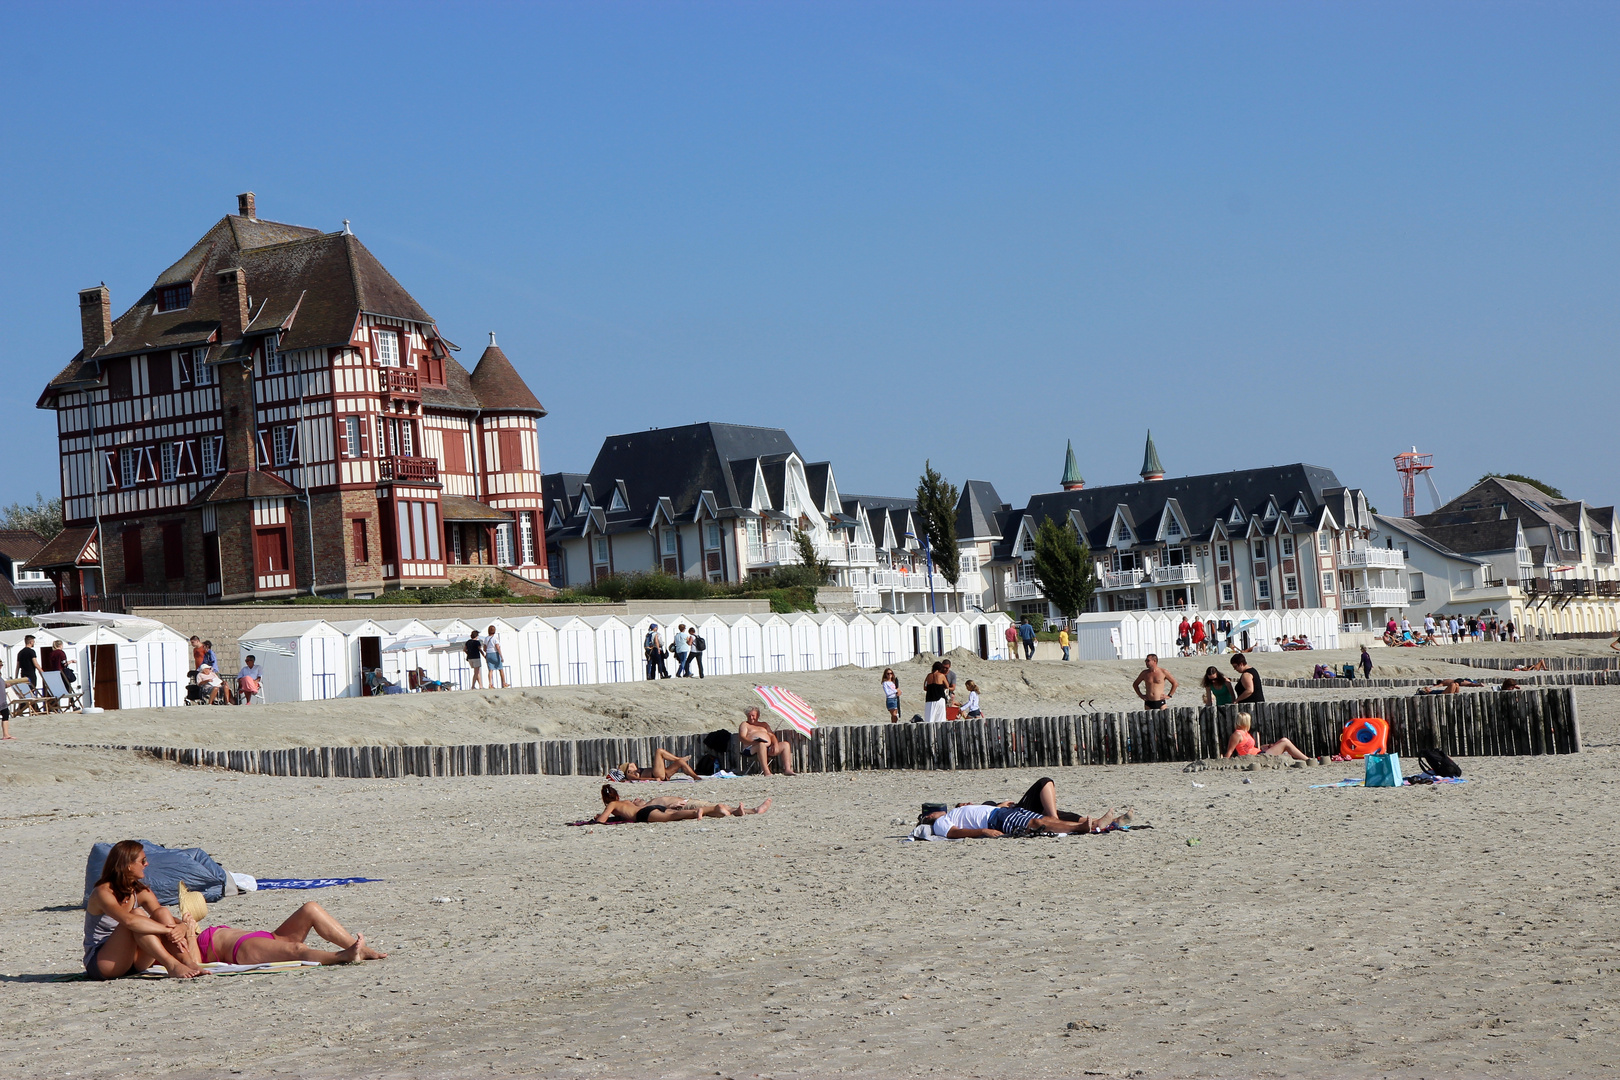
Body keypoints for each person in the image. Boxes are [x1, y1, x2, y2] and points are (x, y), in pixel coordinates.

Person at [83, 840, 203, 979]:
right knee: (137, 915)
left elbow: (163, 917)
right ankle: (171, 965)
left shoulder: (139, 891)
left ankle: (187, 962)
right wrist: (168, 930)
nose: (147, 864)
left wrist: (182, 926)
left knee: (162, 912)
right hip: (104, 962)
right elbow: (129, 921)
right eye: (143, 861)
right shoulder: (103, 892)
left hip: (135, 961)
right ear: (128, 865)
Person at [183, 884, 384, 967]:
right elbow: (192, 963)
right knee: (296, 950)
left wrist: (188, 928)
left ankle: (362, 950)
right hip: (241, 949)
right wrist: (190, 934)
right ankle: (343, 956)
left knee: (310, 909)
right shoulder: (172, 942)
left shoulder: (178, 927)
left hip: (266, 937)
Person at [917, 801, 1129, 839]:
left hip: (998, 813)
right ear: (929, 816)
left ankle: (1093, 825)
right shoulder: (939, 823)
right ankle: (1085, 827)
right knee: (1037, 825)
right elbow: (955, 833)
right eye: (935, 811)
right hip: (994, 823)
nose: (939, 811)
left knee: (1045, 819)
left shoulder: (951, 813)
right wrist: (982, 832)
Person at [596, 784, 768, 823]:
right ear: (618, 795)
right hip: (649, 809)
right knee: (670, 813)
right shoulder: (625, 802)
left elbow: (601, 821)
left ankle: (700, 811)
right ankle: (715, 809)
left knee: (674, 816)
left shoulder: (611, 806)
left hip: (644, 814)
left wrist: (598, 817)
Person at [1221, 711, 1307, 761]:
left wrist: (1267, 746)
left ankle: (1306, 759)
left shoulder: (1245, 733)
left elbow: (1250, 747)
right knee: (1285, 742)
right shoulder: (1237, 734)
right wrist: (1224, 762)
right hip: (1256, 757)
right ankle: (1307, 760)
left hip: (1259, 753)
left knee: (1283, 740)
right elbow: (1230, 750)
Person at [739, 706, 795, 775]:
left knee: (785, 744)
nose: (751, 718)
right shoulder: (745, 724)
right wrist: (753, 742)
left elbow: (771, 735)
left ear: (758, 715)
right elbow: (742, 737)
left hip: (766, 748)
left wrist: (775, 744)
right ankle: (766, 771)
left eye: (753, 715)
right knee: (761, 744)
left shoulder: (764, 725)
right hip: (750, 748)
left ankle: (787, 769)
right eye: (749, 716)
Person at [610, 748, 702, 782]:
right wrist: (653, 779)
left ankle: (695, 776)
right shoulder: (630, 774)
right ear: (628, 768)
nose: (633, 764)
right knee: (659, 751)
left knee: (681, 763)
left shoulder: (634, 770)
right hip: (656, 775)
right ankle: (679, 758)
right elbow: (639, 779)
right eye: (630, 764)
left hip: (664, 773)